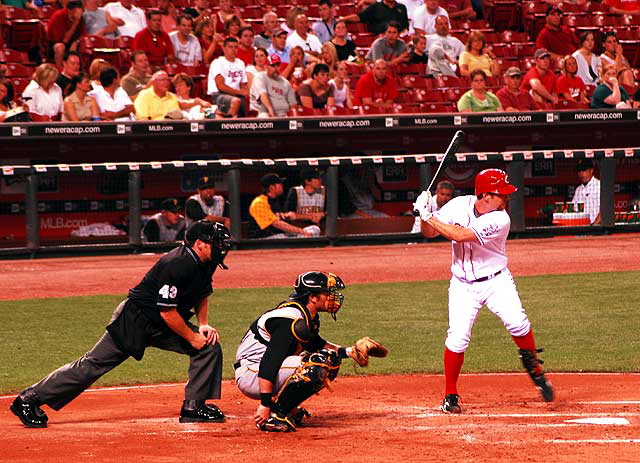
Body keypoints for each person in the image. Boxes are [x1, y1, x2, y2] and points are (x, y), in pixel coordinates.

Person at [10, 220, 231, 428]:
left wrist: (203, 324)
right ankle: (28, 399)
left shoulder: (207, 261)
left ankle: (194, 406)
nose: (223, 247)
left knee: (209, 346)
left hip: (164, 324)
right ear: (200, 244)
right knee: (94, 364)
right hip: (135, 321)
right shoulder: (176, 264)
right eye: (218, 242)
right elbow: (167, 312)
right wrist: (192, 337)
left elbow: (202, 292)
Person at [414, 168, 554, 414]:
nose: (506, 199)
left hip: (496, 282)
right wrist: (425, 215)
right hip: (462, 286)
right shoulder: (458, 205)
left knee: (518, 324)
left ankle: (536, 371)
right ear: (486, 195)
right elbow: (430, 232)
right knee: (457, 338)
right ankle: (450, 395)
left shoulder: (501, 219)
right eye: (502, 194)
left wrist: (429, 214)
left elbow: (461, 235)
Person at [234, 271, 387, 432]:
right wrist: (265, 404)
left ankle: (285, 408)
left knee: (331, 359)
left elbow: (317, 345)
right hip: (252, 372)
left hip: (262, 369)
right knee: (316, 364)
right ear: (313, 297)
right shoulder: (289, 320)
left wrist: (350, 352)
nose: (332, 298)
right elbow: (269, 362)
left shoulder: (306, 317)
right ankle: (275, 413)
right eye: (327, 293)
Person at [248, 173, 320, 238]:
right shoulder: (259, 202)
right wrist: (303, 232)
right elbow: (277, 224)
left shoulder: (275, 200)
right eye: (280, 184)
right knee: (286, 237)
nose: (282, 186)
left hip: (282, 235)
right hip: (264, 239)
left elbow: (279, 217)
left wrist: (287, 216)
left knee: (314, 229)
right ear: (272, 187)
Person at [207, 37, 248, 118]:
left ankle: (232, 119)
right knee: (236, 101)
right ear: (224, 49)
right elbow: (221, 86)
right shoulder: (217, 63)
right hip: (218, 95)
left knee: (242, 101)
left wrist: (244, 92)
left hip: (236, 95)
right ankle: (229, 124)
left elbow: (243, 86)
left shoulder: (240, 63)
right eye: (230, 47)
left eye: (235, 47)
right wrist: (239, 92)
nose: (233, 49)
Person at [46, 0, 85, 69]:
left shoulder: (80, 17)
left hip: (73, 43)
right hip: (54, 45)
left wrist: (76, 42)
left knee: (83, 45)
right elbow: (64, 40)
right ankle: (60, 71)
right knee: (60, 47)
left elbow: (83, 35)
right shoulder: (58, 16)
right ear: (70, 11)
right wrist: (76, 22)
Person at [341, 0, 409, 36]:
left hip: (398, 40)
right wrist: (342, 20)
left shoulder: (402, 7)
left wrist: (401, 35)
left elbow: (405, 26)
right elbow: (358, 17)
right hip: (380, 39)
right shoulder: (375, 7)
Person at [571, 159, 601, 225]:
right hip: (582, 229)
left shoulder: (600, 186)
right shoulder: (578, 190)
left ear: (591, 170)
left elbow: (606, 210)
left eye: (584, 170)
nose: (581, 173)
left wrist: (594, 225)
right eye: (579, 170)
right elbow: (574, 211)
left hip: (598, 229)